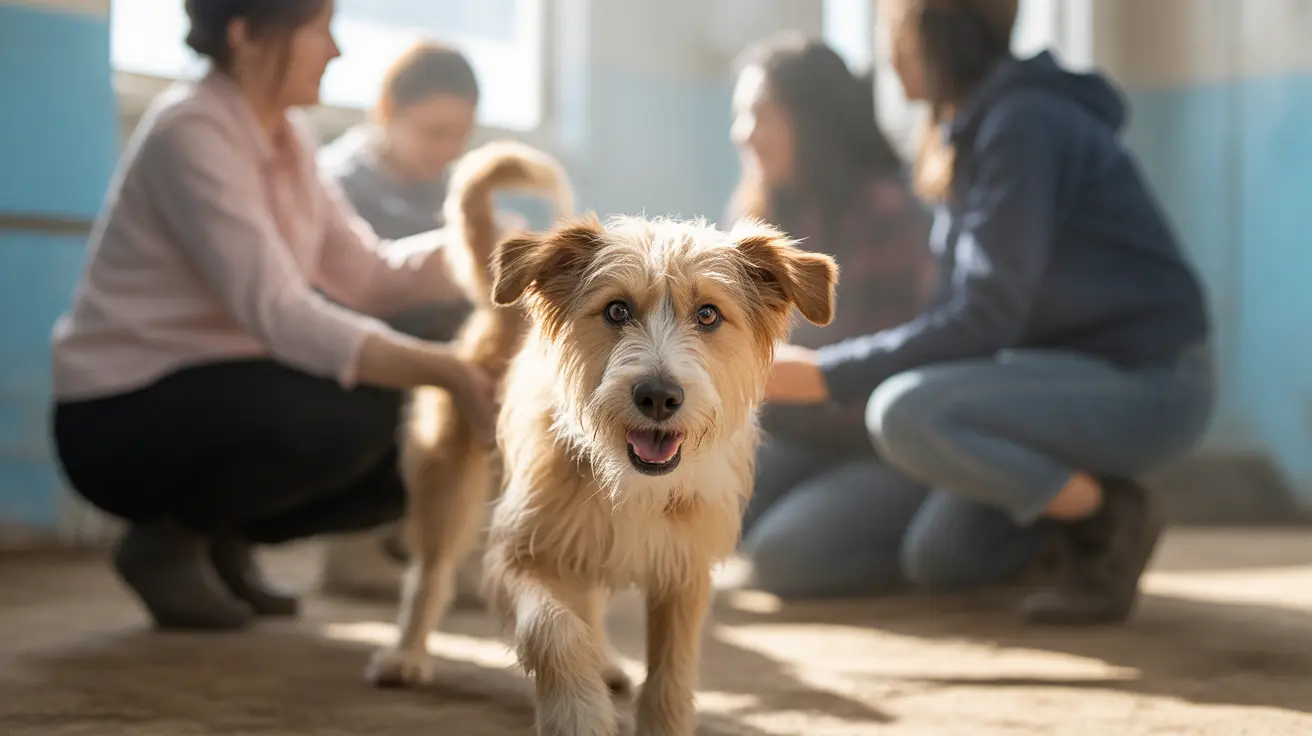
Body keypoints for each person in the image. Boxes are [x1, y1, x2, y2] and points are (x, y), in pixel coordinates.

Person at [756, 0, 1215, 626]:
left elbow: (982, 320)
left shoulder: (1021, 124)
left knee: (904, 411)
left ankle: (1110, 516)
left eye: (894, 33)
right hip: (1051, 378)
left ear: (934, 34)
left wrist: (822, 375)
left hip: (1150, 381)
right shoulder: (968, 133)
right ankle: (1067, 527)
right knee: (943, 556)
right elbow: (964, 317)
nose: (889, 56)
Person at [49, 0, 499, 632]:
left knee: (413, 446)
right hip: (117, 415)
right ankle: (168, 539)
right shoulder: (191, 130)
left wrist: (485, 244)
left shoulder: (289, 137)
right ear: (248, 35)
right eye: (319, 30)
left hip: (222, 394)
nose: (335, 51)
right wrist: (445, 370)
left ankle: (221, 538)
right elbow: (278, 312)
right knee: (364, 412)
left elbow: (366, 275)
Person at [724, 34, 940, 592]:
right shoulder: (757, 211)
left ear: (810, 120)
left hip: (882, 449)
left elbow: (908, 360)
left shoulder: (888, 211)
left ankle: (947, 534)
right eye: (739, 116)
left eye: (759, 115)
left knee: (783, 559)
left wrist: (801, 379)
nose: (742, 134)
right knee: (693, 514)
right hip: (792, 437)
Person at [314, 40, 491, 601]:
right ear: (387, 112)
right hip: (357, 352)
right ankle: (364, 545)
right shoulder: (333, 182)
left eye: (461, 135)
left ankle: (455, 540)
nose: (449, 150)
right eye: (435, 131)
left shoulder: (451, 186)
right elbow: (343, 289)